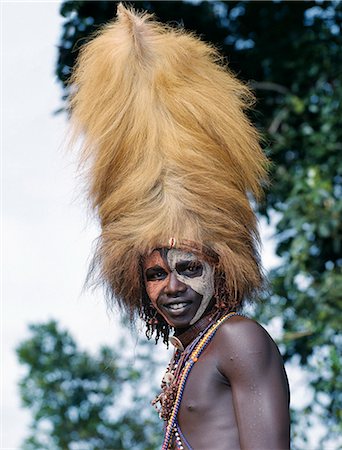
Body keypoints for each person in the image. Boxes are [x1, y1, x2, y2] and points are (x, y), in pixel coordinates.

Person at [69, 3, 290, 449]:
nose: (172, 286)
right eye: (156, 274)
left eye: (189, 268)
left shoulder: (237, 338)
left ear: (220, 267)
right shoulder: (191, 354)